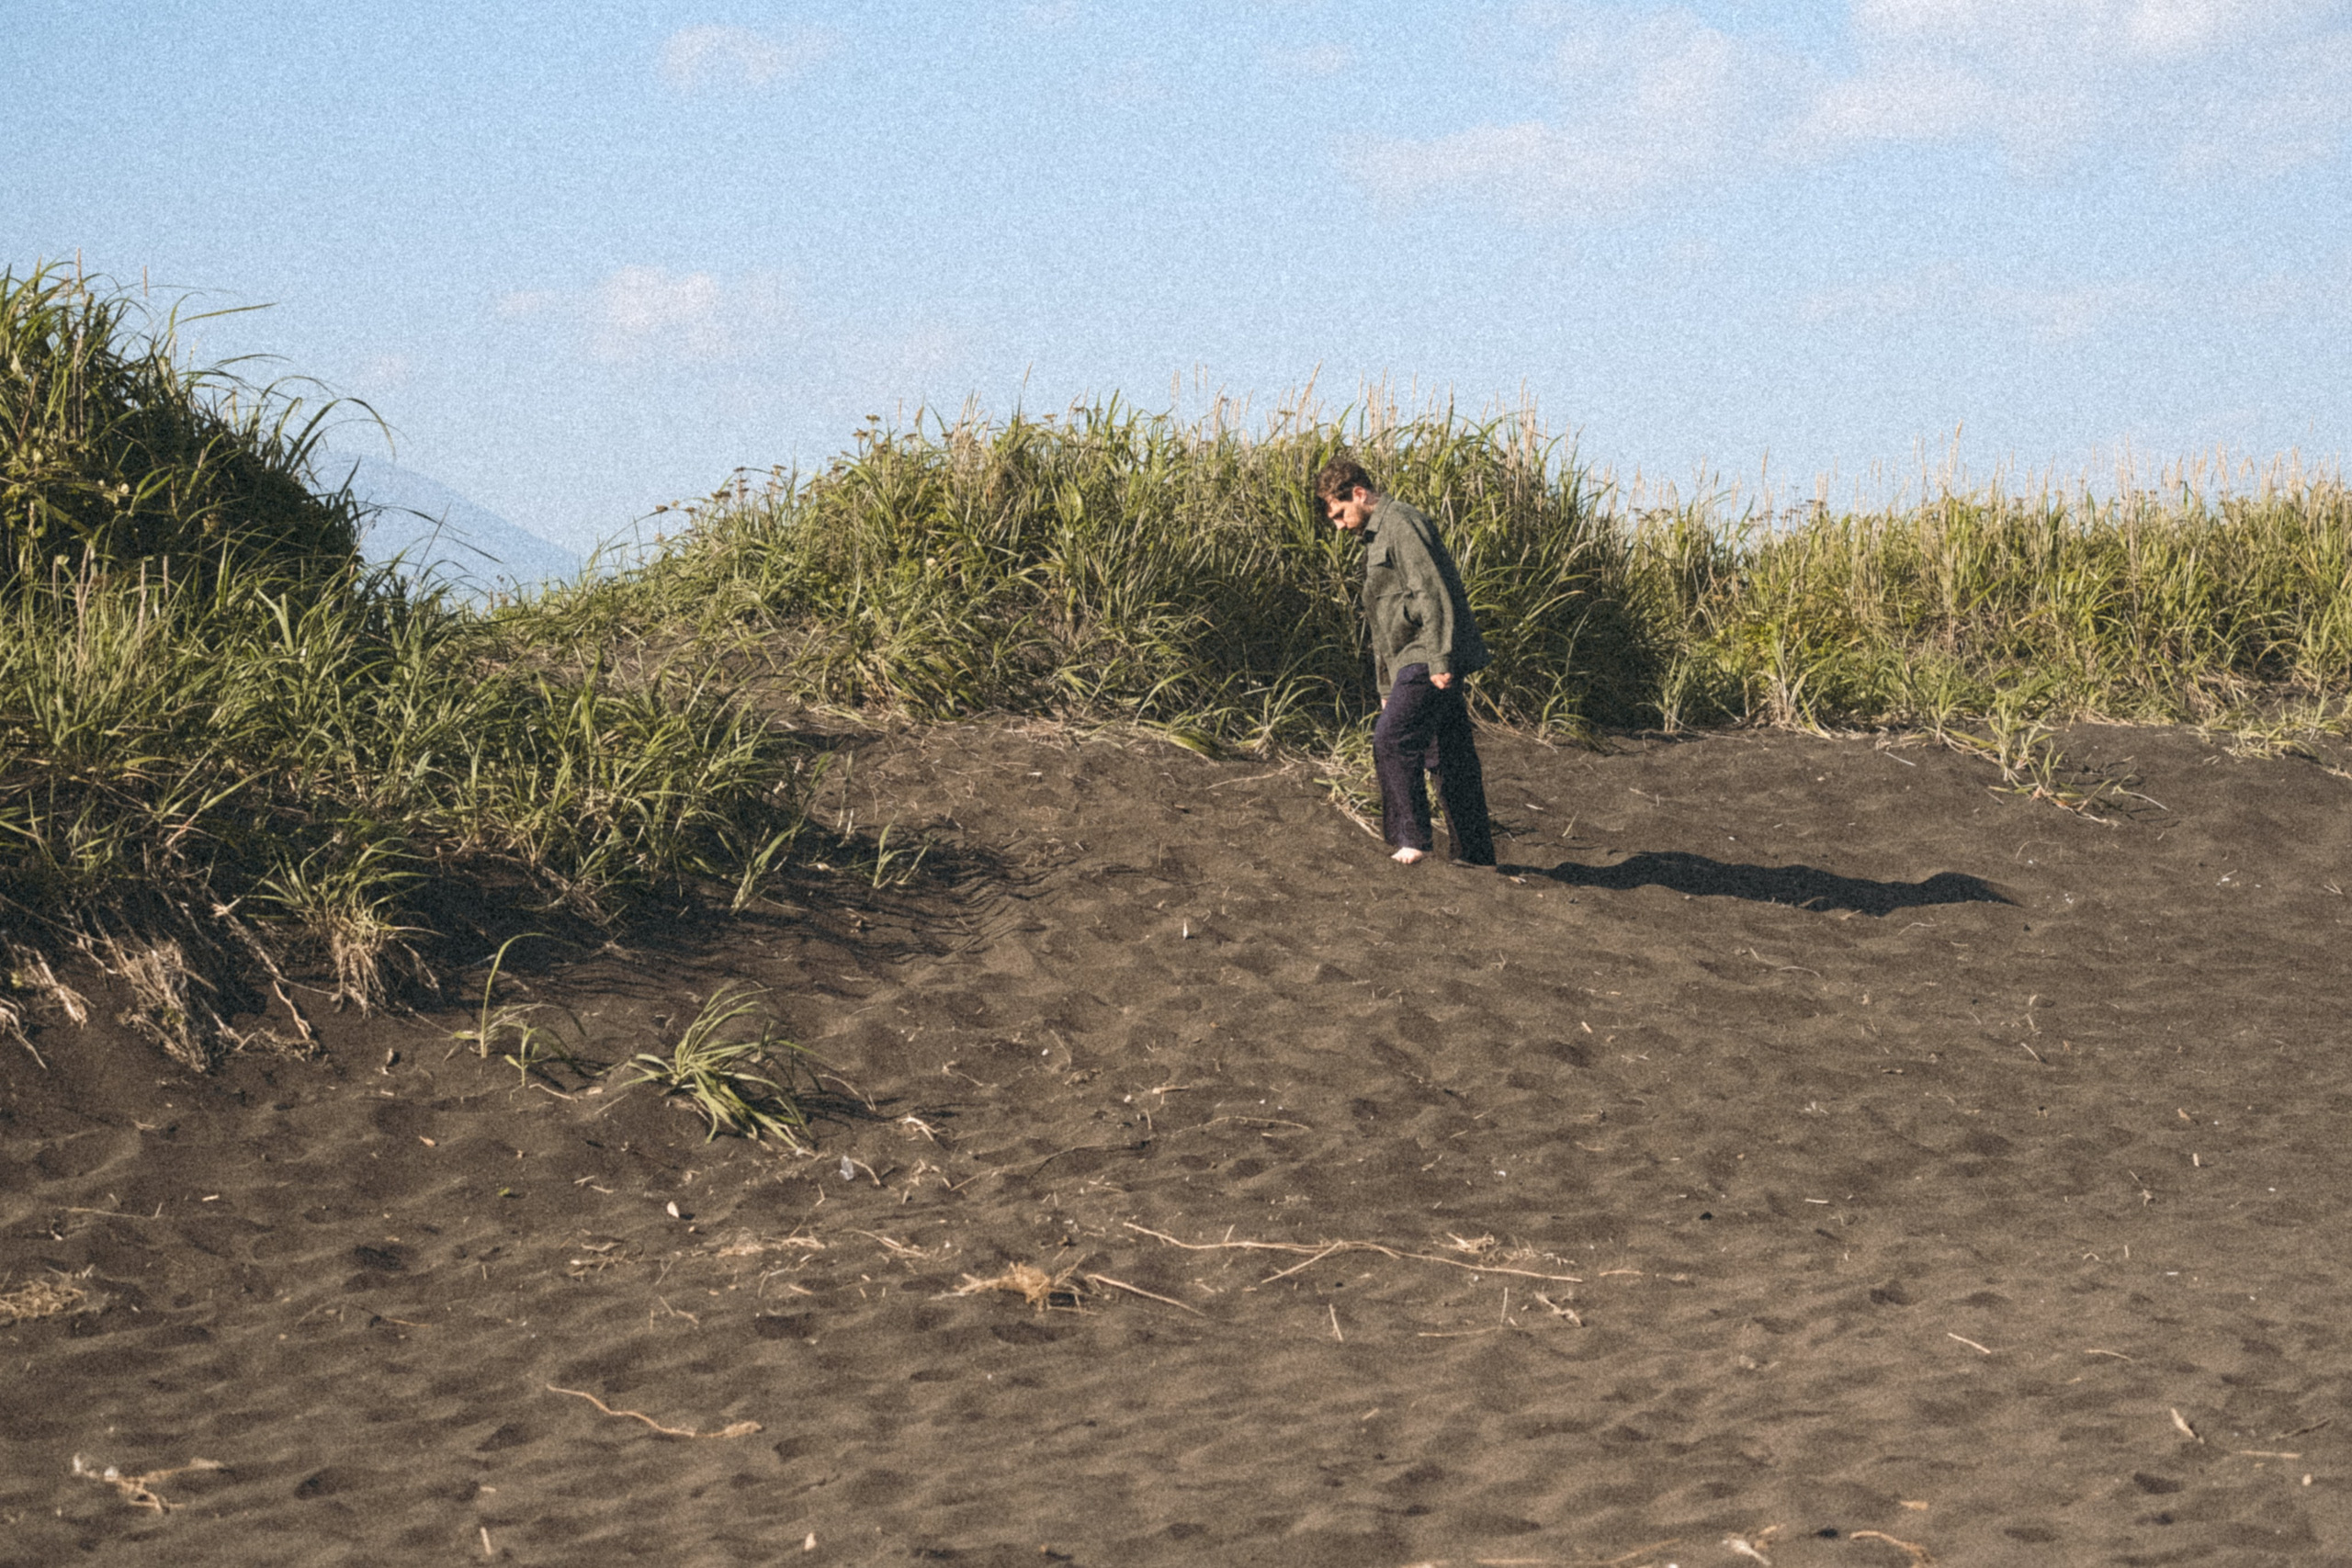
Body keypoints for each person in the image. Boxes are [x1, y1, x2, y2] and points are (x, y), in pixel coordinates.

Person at [1317, 455, 1497, 868]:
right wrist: (1385, 686)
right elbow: (1382, 621)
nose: (1340, 526)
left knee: (1391, 739)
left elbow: (1430, 590)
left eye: (1341, 513)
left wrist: (1440, 658)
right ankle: (1475, 855)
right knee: (1450, 752)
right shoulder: (1375, 538)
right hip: (1410, 659)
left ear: (1359, 493)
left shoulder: (1401, 523)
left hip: (1426, 652)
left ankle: (1412, 838)